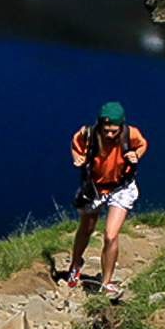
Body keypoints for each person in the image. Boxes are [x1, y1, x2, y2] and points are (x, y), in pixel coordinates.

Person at [68, 102, 148, 298]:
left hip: (121, 186)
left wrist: (136, 155)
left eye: (114, 131)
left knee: (111, 236)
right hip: (94, 188)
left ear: (121, 127)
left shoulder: (131, 134)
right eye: (106, 131)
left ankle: (107, 282)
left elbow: (143, 144)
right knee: (86, 229)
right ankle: (76, 262)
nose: (110, 135)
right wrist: (77, 158)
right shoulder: (87, 134)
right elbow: (75, 146)